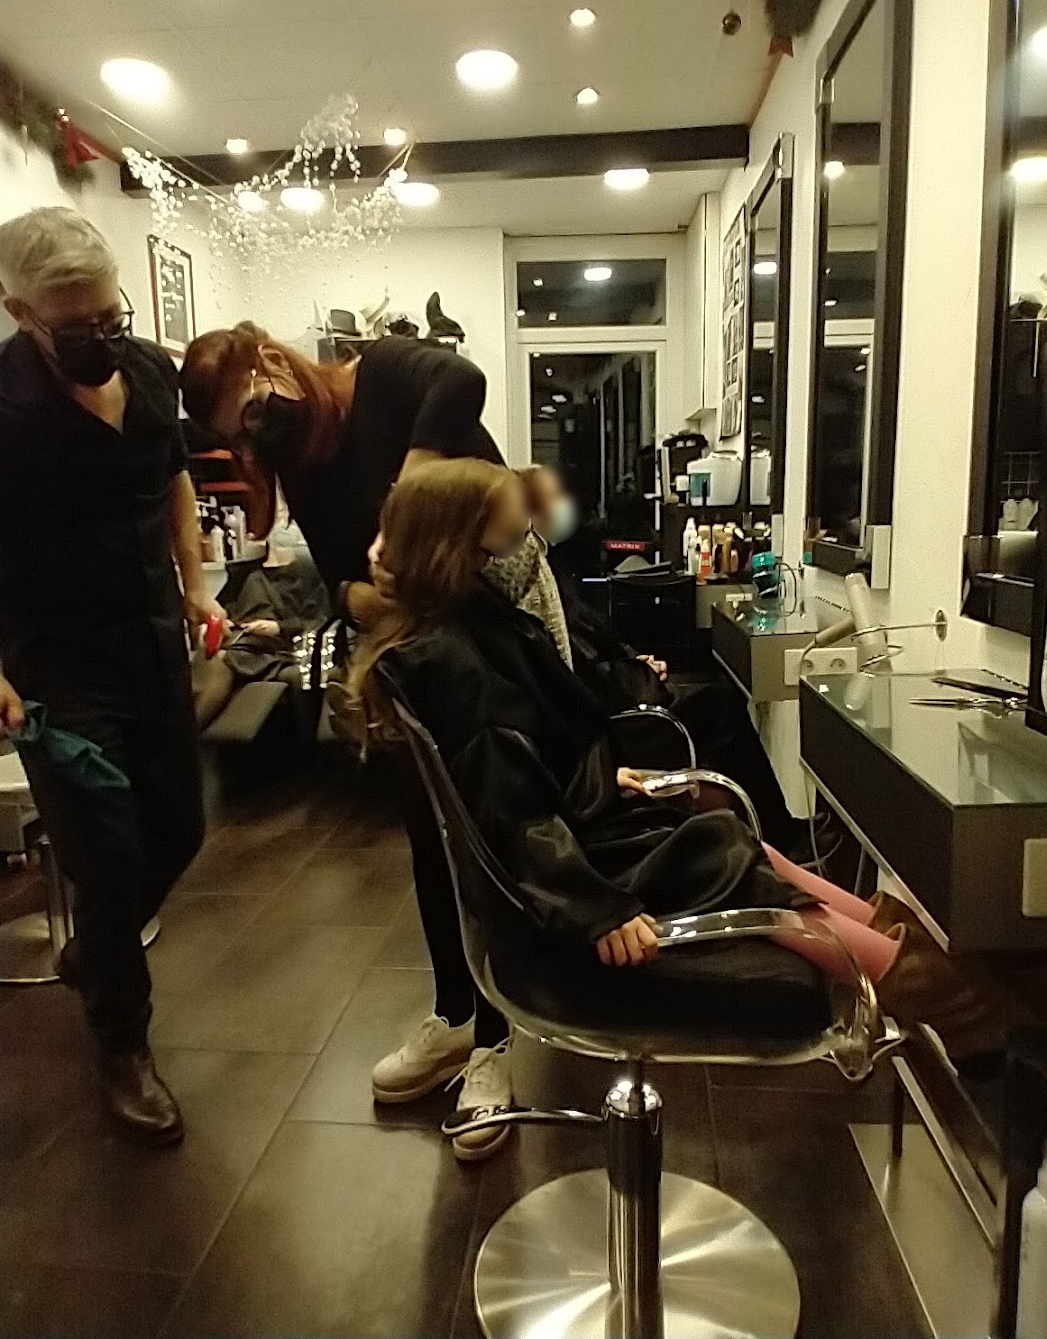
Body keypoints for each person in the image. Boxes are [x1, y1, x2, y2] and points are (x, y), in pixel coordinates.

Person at [347, 459, 1032, 1066]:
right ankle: (938, 994)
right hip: (573, 885)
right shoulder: (460, 658)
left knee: (734, 838)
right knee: (724, 855)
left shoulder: (471, 629)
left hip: (580, 837)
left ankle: (920, 961)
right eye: (510, 534)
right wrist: (596, 911)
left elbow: (524, 767)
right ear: (464, 548)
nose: (528, 546)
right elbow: (510, 813)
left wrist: (596, 782)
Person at [179, 322, 513, 1158]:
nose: (257, 435)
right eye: (238, 435)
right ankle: (456, 1016)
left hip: (498, 650)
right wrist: (378, 595)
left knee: (494, 838)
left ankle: (500, 1042)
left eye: (251, 411)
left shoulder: (385, 374)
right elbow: (340, 585)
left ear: (274, 362)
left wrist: (408, 502)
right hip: (412, 662)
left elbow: (462, 381)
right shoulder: (303, 464)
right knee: (431, 843)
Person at [0, 207, 227, 1145]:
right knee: (107, 853)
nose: (101, 335)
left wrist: (196, 583)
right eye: (76, 325)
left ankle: (97, 950)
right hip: (55, 668)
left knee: (180, 827)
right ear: (20, 311)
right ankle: (123, 1046)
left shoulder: (148, 372)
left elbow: (173, 478)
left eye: (110, 315)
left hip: (152, 643)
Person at [522, 463, 807, 852]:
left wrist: (636, 661)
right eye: (555, 497)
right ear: (531, 512)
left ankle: (772, 834)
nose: (565, 505)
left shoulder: (553, 571)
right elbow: (580, 673)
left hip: (616, 701)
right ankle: (783, 839)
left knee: (719, 702)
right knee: (723, 706)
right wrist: (638, 671)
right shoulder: (537, 586)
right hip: (615, 729)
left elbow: (594, 647)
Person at [191, 532, 330, 730]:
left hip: (277, 646)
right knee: (207, 658)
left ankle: (189, 732)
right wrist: (224, 622)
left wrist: (278, 627)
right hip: (241, 637)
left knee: (223, 658)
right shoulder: (248, 574)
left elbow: (318, 621)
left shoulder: (307, 577)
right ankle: (189, 732)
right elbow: (227, 607)